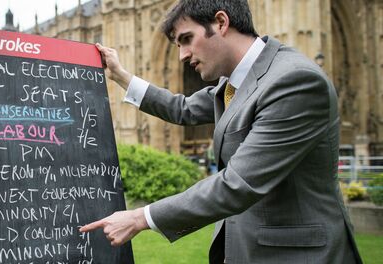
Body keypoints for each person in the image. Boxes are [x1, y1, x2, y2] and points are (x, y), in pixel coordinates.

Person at [79, 0, 363, 263]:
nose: (182, 55)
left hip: (297, 254)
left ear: (221, 23)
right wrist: (120, 75)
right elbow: (183, 108)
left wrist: (142, 217)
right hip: (251, 248)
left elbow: (237, 184)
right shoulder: (235, 83)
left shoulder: (293, 80)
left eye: (186, 39)